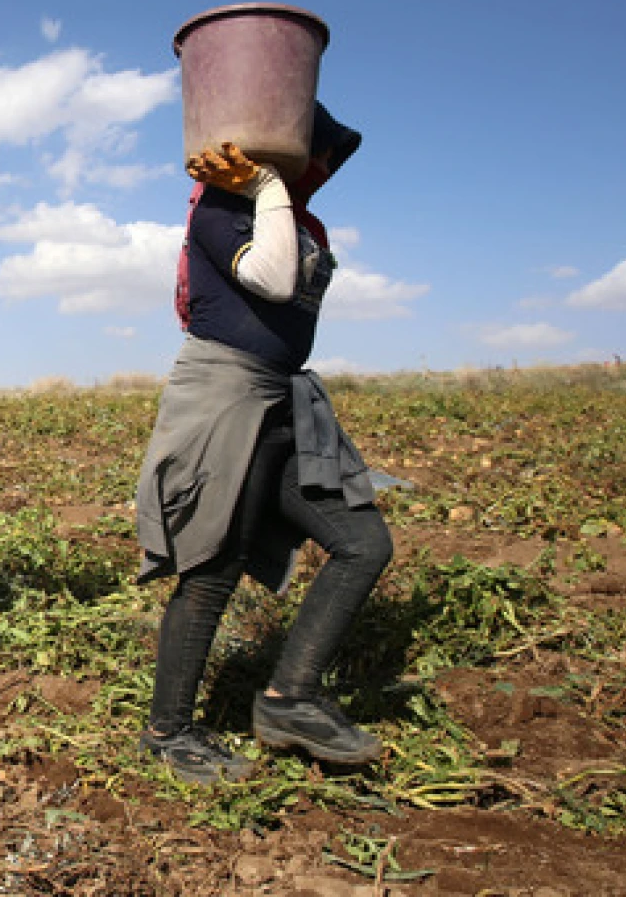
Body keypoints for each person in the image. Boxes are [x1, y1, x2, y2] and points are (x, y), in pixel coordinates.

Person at [134, 104, 393, 785]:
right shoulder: (220, 210)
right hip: (224, 396)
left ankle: (291, 697)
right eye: (314, 156)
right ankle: (168, 732)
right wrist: (266, 191)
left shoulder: (297, 223)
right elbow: (272, 281)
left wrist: (278, 202)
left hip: (281, 398)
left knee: (363, 543)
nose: (324, 170)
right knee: (211, 567)